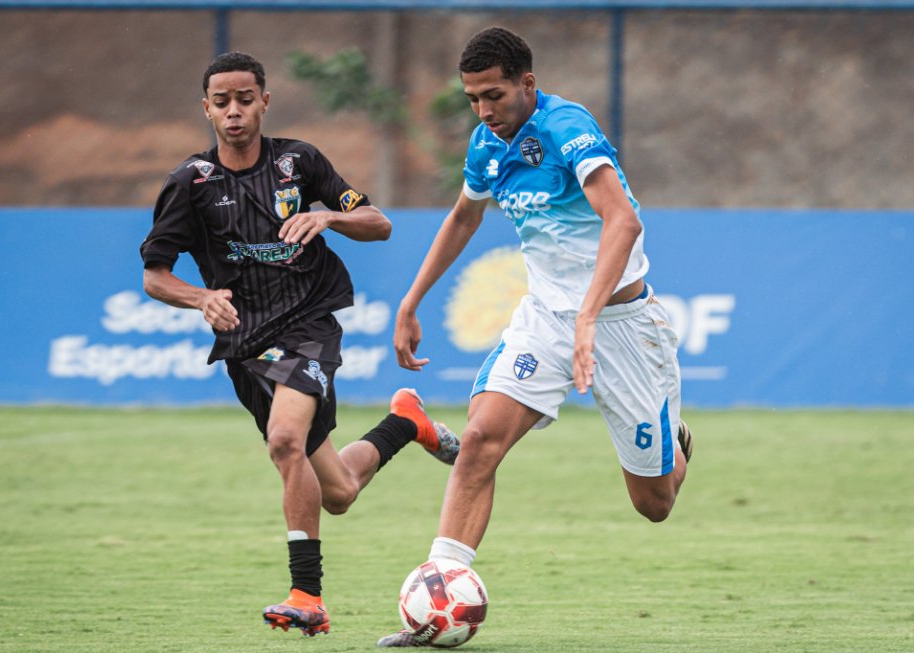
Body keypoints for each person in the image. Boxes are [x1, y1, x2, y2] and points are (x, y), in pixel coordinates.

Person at [377, 27, 693, 647]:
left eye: (493, 95)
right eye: (472, 98)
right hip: (547, 320)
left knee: (654, 503)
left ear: (527, 82)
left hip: (624, 326)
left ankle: (674, 443)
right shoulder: (485, 144)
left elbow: (623, 221)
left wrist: (589, 317)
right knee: (478, 443)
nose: (483, 110)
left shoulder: (565, 125)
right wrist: (412, 299)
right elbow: (465, 215)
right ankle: (438, 598)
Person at [139, 51, 460, 638]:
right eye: (221, 102)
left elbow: (379, 221)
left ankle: (306, 596)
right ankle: (406, 423)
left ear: (265, 101)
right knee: (337, 490)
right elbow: (155, 275)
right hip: (244, 343)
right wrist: (200, 297)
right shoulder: (191, 183)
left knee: (285, 439)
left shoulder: (299, 161)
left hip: (309, 323)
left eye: (244, 99)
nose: (233, 112)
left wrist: (329, 219)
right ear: (205, 109)